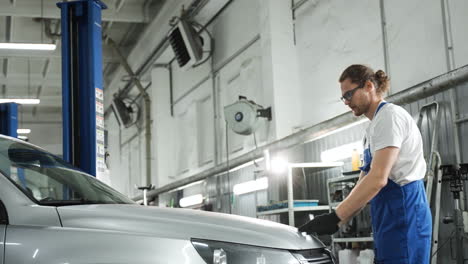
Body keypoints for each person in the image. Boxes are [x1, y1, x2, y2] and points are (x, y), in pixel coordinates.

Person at [299, 64, 432, 263]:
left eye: (349, 95)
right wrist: (337, 220)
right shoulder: (372, 129)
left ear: (369, 86)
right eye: (343, 97)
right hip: (387, 214)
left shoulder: (390, 117)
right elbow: (364, 182)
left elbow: (378, 178)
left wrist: (336, 216)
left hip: (405, 211)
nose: (346, 102)